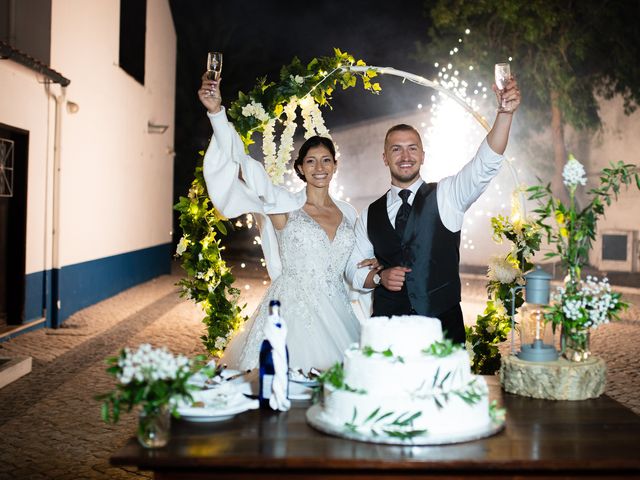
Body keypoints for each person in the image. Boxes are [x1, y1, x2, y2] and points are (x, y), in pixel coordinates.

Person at [197, 76, 371, 372]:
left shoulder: (349, 213)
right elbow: (244, 167)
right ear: (301, 168)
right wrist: (217, 113)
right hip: (291, 311)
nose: (320, 167)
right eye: (312, 161)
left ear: (335, 166)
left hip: (338, 311)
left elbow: (354, 264)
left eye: (326, 160)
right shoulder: (284, 206)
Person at [345, 78, 522, 344]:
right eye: (396, 149)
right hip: (387, 330)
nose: (405, 156)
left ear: (423, 155)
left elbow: (484, 165)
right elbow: (352, 268)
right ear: (385, 158)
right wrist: (378, 277)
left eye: (412, 148)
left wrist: (505, 114)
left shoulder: (448, 195)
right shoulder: (369, 213)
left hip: (442, 328)